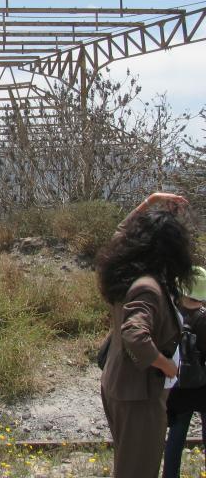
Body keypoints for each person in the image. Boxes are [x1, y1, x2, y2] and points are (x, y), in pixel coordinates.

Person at [97, 192, 193, 478]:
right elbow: (135, 335)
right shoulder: (148, 286)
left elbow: (119, 234)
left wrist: (150, 202)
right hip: (139, 395)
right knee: (139, 470)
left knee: (129, 465)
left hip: (120, 386)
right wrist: (168, 366)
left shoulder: (124, 272)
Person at [163, 266, 206, 478]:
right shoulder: (204, 318)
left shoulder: (173, 314)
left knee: (176, 438)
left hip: (178, 386)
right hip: (203, 386)